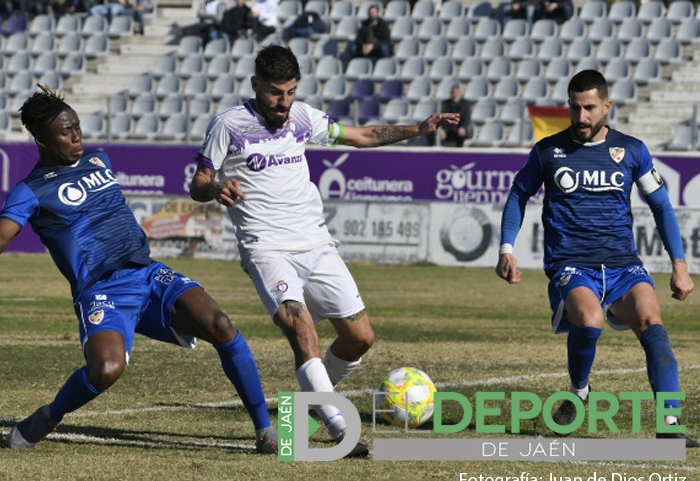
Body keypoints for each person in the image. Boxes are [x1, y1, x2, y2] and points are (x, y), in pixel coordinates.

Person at [0, 85, 279, 453]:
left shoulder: (99, 159)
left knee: (222, 325)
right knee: (106, 370)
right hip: (102, 290)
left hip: (146, 274)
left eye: (77, 126)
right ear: (41, 140)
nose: (76, 136)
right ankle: (48, 416)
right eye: (65, 131)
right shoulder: (31, 190)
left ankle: (265, 431)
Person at [190, 45, 459, 458]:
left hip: (315, 243)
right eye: (276, 93)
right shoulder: (229, 125)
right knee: (302, 330)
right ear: (256, 85)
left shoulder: (301, 117)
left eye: (291, 92)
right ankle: (339, 428)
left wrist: (418, 129)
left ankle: (309, 403)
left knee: (360, 338)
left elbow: (362, 135)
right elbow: (199, 181)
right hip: (267, 246)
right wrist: (215, 188)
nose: (284, 102)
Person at [495, 69, 697, 447]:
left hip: (623, 263)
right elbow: (518, 194)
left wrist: (680, 267)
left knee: (653, 323)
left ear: (607, 106)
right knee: (590, 320)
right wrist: (507, 248)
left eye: (589, 108)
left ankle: (669, 425)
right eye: (575, 108)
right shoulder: (548, 151)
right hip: (572, 264)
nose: (582, 117)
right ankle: (579, 390)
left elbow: (662, 207)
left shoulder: (632, 150)